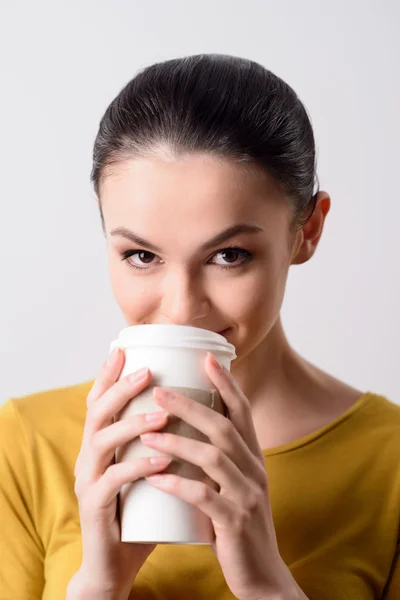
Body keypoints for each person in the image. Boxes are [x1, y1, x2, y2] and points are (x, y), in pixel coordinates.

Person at [0, 53, 399, 600]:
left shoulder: (389, 461)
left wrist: (266, 585)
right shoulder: (25, 443)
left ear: (307, 230)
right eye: (141, 255)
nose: (183, 308)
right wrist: (98, 583)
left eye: (230, 255)